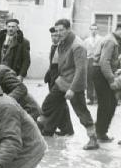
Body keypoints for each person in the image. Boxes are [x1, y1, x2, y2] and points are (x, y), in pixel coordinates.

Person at [38, 19, 98, 150]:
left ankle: (93, 139)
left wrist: (72, 89)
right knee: (48, 103)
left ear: (68, 29)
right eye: (57, 30)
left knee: (81, 112)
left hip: (74, 84)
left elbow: (81, 69)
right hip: (62, 81)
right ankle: (43, 129)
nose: (58, 33)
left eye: (61, 30)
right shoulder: (62, 42)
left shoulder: (78, 46)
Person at [43, 26, 74, 136]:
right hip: (52, 78)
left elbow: (63, 65)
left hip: (60, 79)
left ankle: (49, 129)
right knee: (60, 104)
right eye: (52, 36)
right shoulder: (54, 47)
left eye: (56, 35)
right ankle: (67, 129)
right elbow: (53, 64)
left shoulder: (63, 47)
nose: (54, 38)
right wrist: (48, 74)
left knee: (53, 103)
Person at [92, 23, 121, 142]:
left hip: (102, 73)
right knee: (106, 105)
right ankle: (100, 133)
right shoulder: (111, 41)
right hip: (101, 74)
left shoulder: (113, 39)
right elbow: (104, 62)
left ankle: (100, 131)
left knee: (111, 104)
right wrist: (111, 80)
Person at [84, 23, 103, 105]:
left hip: (98, 61)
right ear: (90, 30)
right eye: (92, 29)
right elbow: (84, 52)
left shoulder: (102, 39)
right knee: (89, 80)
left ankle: (97, 98)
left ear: (97, 30)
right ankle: (90, 98)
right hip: (89, 61)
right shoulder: (86, 40)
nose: (93, 30)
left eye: (95, 29)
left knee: (98, 80)